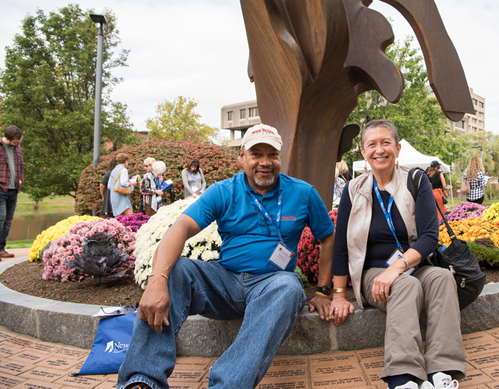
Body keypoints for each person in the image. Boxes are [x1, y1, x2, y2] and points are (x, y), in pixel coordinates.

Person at [117, 124, 336, 389]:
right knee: (176, 271)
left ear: (281, 157)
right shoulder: (224, 191)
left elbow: (327, 236)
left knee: (289, 286)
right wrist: (156, 280)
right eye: (256, 154)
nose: (265, 162)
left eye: (272, 154)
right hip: (225, 282)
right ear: (242, 156)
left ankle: (227, 385)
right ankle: (143, 380)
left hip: (272, 284)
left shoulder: (303, 193)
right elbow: (181, 228)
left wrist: (324, 290)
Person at [330, 119, 465, 389]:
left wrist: (398, 266)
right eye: (372, 144)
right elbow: (342, 244)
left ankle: (441, 369)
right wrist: (338, 294)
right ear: (363, 151)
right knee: (405, 285)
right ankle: (404, 376)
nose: (379, 150)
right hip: (373, 273)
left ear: (398, 148)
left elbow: (429, 237)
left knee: (441, 278)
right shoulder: (353, 190)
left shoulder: (416, 181)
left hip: (413, 264)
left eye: (386, 143)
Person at [0, 126, 24, 260]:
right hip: (1, 189)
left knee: (8, 220)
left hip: (13, 189)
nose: (18, 144)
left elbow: (21, 165)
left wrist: (20, 179)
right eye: (16, 142)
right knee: (0, 218)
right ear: (7, 139)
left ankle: (1, 249)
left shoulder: (18, 149)